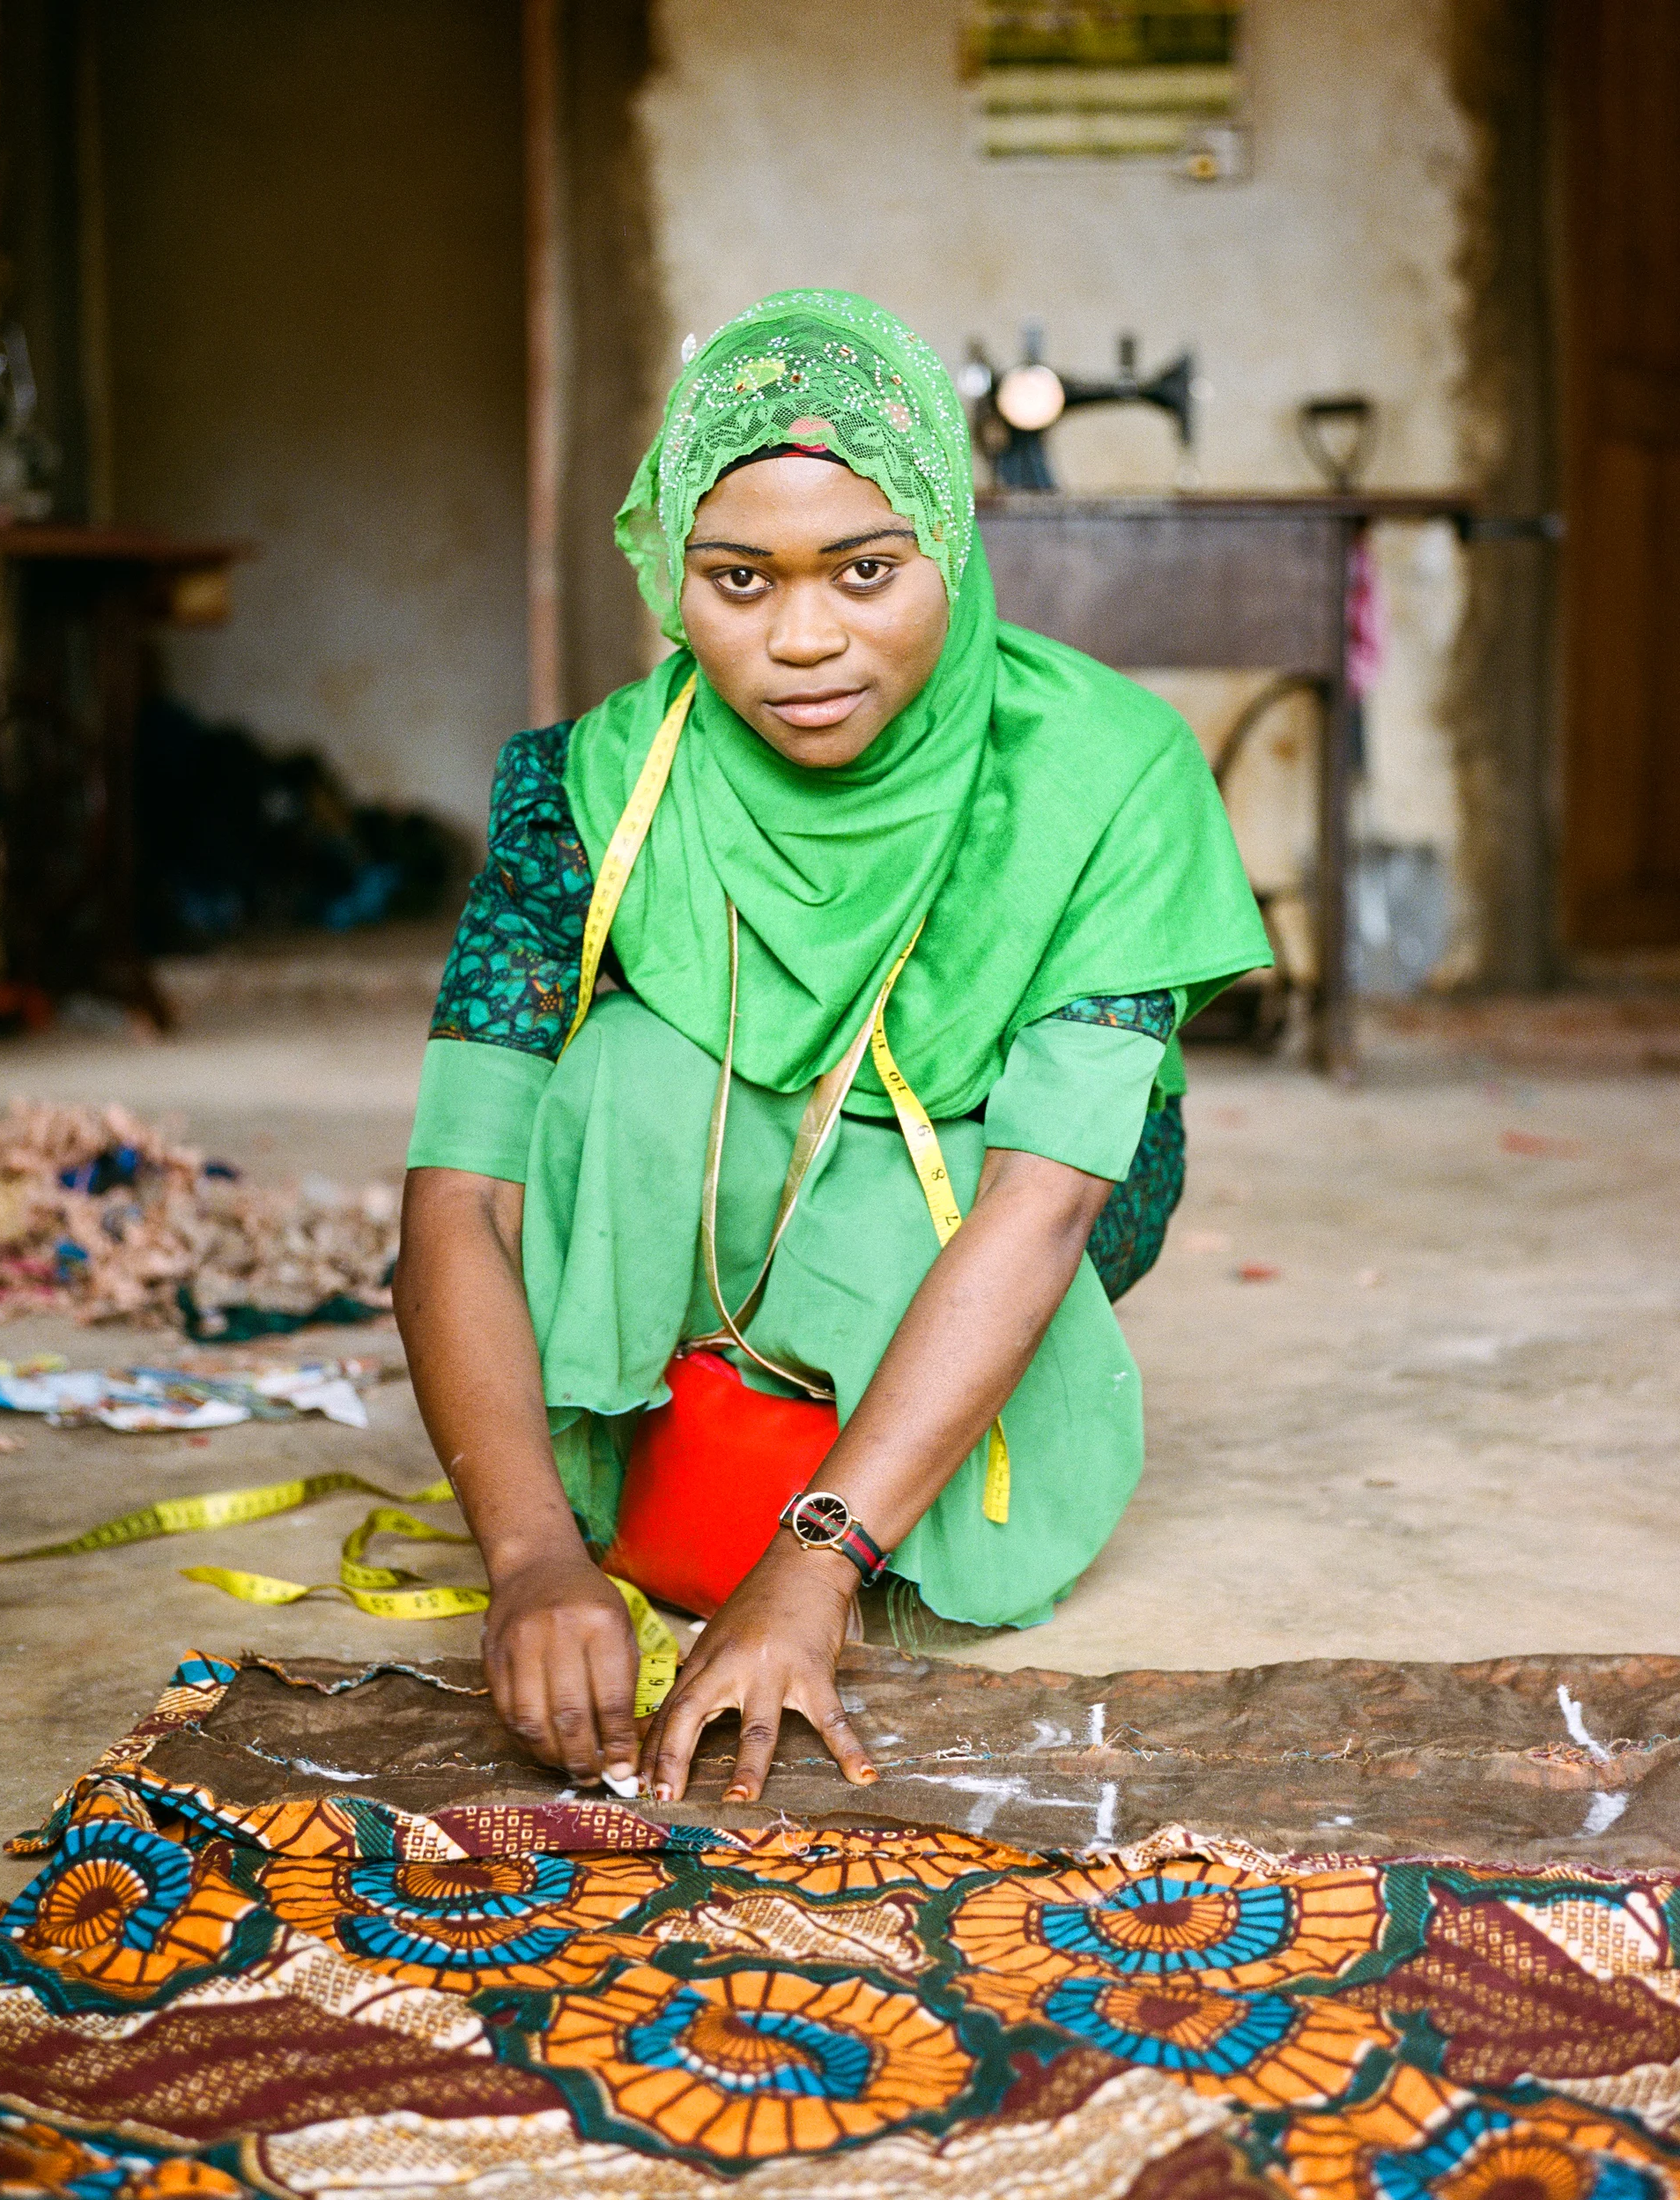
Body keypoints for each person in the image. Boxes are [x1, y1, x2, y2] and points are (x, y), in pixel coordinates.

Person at [394, 290, 1268, 1811]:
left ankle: (817, 1458)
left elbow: (1045, 1203)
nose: (805, 641)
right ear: (671, 574)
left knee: (905, 1214)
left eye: (867, 572)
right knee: (620, 1075)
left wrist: (805, 1573)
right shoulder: (590, 788)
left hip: (1001, 1180)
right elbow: (459, 1194)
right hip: (741, 1146)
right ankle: (698, 1423)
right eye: (739, 580)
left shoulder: (1110, 775)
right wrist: (529, 1555)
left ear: (952, 542)